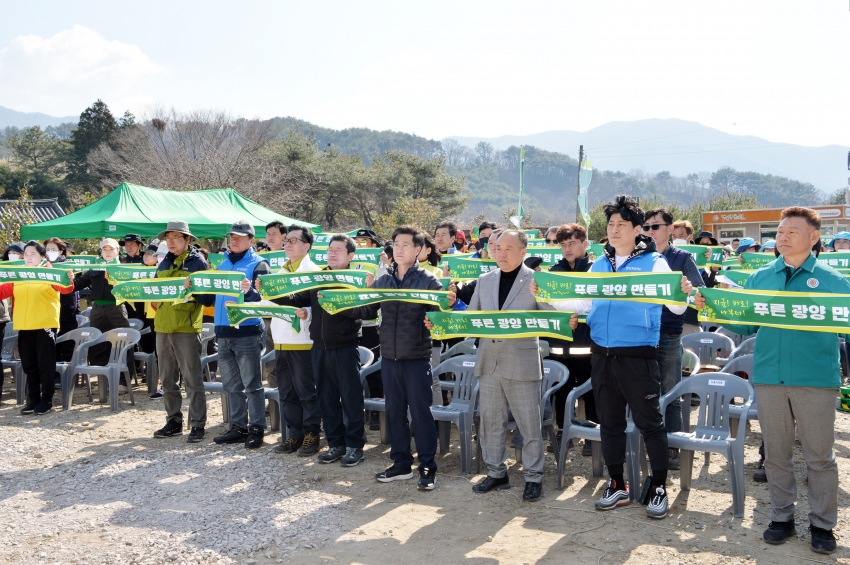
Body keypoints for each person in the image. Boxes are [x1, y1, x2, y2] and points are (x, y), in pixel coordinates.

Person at [695, 207, 845, 554]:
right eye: (780, 231)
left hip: (815, 380)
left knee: (819, 457)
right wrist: (710, 304)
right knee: (776, 454)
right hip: (769, 378)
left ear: (813, 237)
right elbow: (744, 324)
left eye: (792, 231)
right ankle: (781, 517)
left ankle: (822, 524)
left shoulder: (833, 281)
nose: (783, 237)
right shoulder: (761, 277)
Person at [534, 195, 693, 519]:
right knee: (611, 424)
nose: (615, 229)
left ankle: (658, 487)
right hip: (602, 355)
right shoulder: (602, 264)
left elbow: (676, 307)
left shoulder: (654, 263)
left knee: (650, 424)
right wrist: (550, 296)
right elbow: (584, 304)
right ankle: (617, 484)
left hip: (638, 356)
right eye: (610, 224)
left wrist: (683, 291)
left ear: (637, 229)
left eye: (622, 224)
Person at [345, 226, 454, 490]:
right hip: (390, 358)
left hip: (417, 357)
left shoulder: (428, 280)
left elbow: (440, 317)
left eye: (406, 245)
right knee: (394, 413)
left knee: (421, 413)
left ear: (418, 250)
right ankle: (401, 463)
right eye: (396, 244)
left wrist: (446, 305)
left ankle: (427, 466)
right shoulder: (384, 280)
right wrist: (343, 303)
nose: (399, 249)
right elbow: (369, 310)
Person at [464, 229, 553, 502]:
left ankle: (533, 477)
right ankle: (496, 472)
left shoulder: (536, 279)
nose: (501, 253)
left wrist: (548, 299)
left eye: (508, 248)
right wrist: (444, 319)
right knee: (491, 421)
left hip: (523, 361)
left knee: (529, 425)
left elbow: (551, 316)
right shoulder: (485, 279)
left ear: (523, 251)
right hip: (489, 361)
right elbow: (470, 319)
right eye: (498, 247)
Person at [286, 235, 367, 467]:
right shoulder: (318, 277)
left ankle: (354, 446)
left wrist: (337, 304)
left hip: (345, 347)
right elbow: (297, 297)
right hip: (319, 348)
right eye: (330, 250)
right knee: (326, 399)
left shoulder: (356, 279)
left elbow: (365, 311)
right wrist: (271, 291)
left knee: (350, 399)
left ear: (350, 256)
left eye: (338, 250)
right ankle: (336, 444)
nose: (332, 254)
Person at [642, 208, 706, 471]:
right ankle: (645, 445)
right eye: (645, 227)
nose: (649, 232)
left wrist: (689, 293)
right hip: (640, 333)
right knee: (642, 394)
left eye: (655, 227)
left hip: (668, 333)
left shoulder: (682, 258)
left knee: (670, 393)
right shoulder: (638, 257)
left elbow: (700, 295)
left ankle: (671, 449)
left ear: (670, 229)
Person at [151, 221, 215, 443]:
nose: (170, 242)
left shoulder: (198, 262)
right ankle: (173, 422)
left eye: (176, 237)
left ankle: (198, 424)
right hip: (162, 327)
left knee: (192, 378)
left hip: (186, 329)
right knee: (167, 379)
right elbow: (155, 293)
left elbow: (209, 298)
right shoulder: (163, 262)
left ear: (188, 240)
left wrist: (193, 289)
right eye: (167, 238)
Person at [211, 222, 271, 449]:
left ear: (251, 240)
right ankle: (238, 427)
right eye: (232, 237)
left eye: (240, 237)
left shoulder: (259, 264)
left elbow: (266, 298)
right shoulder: (222, 264)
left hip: (247, 331)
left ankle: (256, 428)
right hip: (223, 331)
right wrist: (191, 288)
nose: (234, 240)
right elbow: (209, 298)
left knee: (252, 384)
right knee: (231, 385)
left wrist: (251, 291)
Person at [0, 241, 76, 414]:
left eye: (32, 254)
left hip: (45, 323)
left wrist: (68, 279)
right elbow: (3, 291)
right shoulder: (18, 274)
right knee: (29, 364)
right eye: (25, 254)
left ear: (42, 256)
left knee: (45, 364)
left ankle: (46, 400)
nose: (28, 257)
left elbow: (65, 289)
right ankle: (32, 399)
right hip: (24, 325)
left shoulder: (49, 271)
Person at [266, 225, 322, 456]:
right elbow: (272, 304)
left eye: (293, 240)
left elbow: (316, 306)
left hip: (302, 342)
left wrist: (306, 312)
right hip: (280, 341)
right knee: (287, 392)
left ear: (306, 246)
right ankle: (294, 435)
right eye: (286, 240)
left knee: (306, 392)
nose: (287, 244)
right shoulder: (280, 273)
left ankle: (311, 435)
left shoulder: (313, 273)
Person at [546, 223, 597, 456]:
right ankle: (562, 432)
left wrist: (568, 304)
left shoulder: (596, 270)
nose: (567, 249)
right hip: (560, 344)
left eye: (572, 243)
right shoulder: (554, 272)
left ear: (584, 244)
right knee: (561, 391)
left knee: (591, 392)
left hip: (589, 343)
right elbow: (550, 303)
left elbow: (590, 305)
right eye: (563, 245)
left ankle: (592, 435)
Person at [72, 238, 135, 393]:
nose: (107, 252)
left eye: (111, 249)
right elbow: (78, 283)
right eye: (104, 249)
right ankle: (102, 381)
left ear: (118, 251)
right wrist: (68, 278)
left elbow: (133, 286)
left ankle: (123, 382)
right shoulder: (95, 267)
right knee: (98, 343)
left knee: (122, 343)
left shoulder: (124, 268)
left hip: (117, 308)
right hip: (97, 309)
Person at [43, 237, 80, 364]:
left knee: (67, 344)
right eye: (47, 249)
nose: (50, 252)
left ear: (61, 251)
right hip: (48, 312)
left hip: (66, 311)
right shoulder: (42, 267)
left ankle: (67, 376)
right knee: (52, 347)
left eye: (53, 249)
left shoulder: (69, 265)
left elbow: (75, 284)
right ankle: (55, 375)